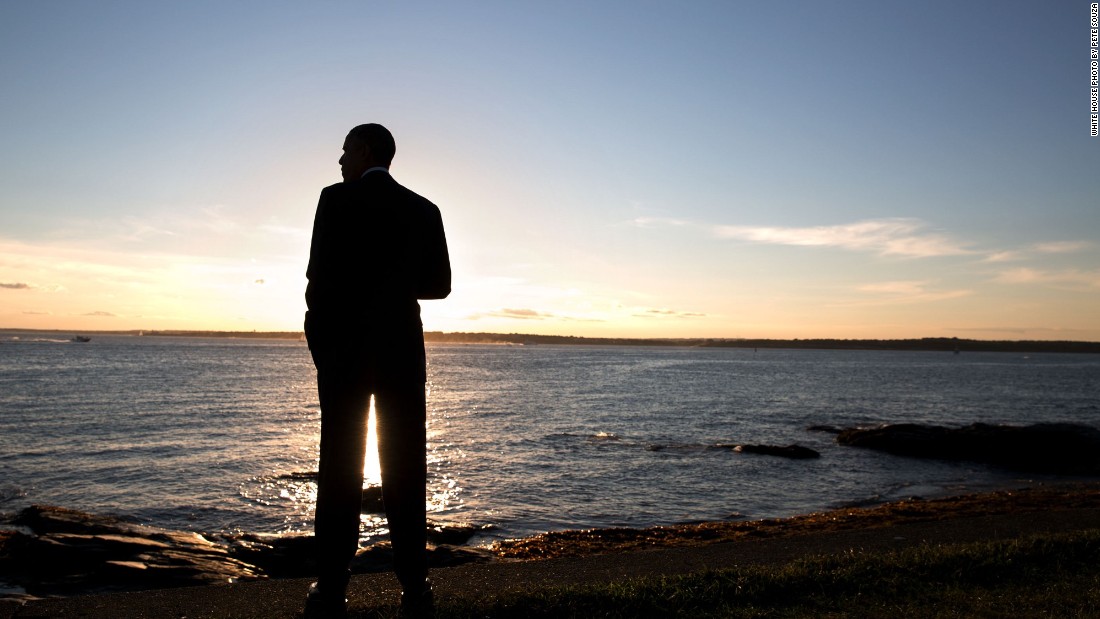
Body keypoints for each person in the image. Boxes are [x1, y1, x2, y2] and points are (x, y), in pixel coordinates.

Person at [303, 123, 450, 617]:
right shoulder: (423, 209)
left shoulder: (335, 201)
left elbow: (316, 282)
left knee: (339, 468)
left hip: (344, 357)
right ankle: (415, 588)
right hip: (401, 356)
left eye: (345, 150)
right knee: (406, 470)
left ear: (365, 151)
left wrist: (321, 346)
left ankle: (330, 588)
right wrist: (394, 281)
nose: (340, 160)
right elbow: (440, 285)